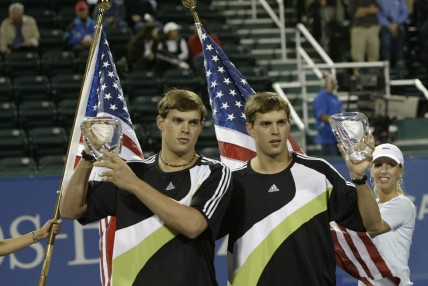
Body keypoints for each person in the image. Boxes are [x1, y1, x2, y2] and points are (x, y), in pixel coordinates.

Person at [60, 89, 232, 285]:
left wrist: (134, 184)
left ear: (201, 127)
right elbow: (70, 210)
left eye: (193, 122)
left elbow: (193, 225)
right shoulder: (131, 171)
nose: (186, 129)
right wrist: (89, 155)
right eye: (177, 121)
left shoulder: (214, 172)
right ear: (161, 122)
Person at [220, 92, 380, 285]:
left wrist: (359, 178)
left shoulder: (319, 172)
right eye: (265, 124)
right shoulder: (232, 183)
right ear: (250, 129)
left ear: (289, 124)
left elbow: (372, 223)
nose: (275, 131)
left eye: (281, 122)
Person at [358, 143, 416, 286]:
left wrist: (358, 178)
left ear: (400, 171)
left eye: (390, 164)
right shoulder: (369, 208)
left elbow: (374, 227)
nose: (383, 170)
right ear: (371, 170)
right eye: (377, 165)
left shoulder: (403, 204)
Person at [313, 74, 342, 156]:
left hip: (337, 137)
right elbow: (322, 116)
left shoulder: (333, 97)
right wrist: (337, 122)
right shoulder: (321, 97)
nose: (334, 83)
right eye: (331, 82)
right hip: (327, 137)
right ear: (324, 83)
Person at [348, 0, 380, 75]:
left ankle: (373, 81)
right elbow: (355, 13)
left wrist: (362, 10)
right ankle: (359, 83)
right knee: (358, 58)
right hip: (359, 29)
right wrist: (369, 10)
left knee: (374, 55)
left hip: (372, 28)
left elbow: (376, 9)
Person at [377, 0, 409, 70]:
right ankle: (387, 66)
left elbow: (404, 13)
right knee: (386, 43)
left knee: (401, 33)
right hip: (386, 26)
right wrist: (389, 25)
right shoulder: (380, 1)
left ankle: (400, 65)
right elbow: (379, 14)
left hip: (398, 25)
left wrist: (397, 23)